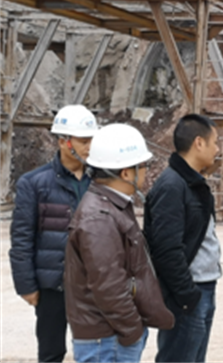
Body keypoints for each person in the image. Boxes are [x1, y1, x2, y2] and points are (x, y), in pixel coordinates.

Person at [64, 124, 174, 363]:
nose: (146, 172)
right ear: (126, 173)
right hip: (108, 339)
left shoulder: (112, 206)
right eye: (143, 166)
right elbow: (108, 286)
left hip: (111, 336)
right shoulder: (99, 218)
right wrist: (132, 331)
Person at [9, 104, 98, 363]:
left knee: (95, 351)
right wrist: (26, 286)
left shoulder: (101, 181)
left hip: (93, 284)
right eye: (83, 141)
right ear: (63, 141)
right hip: (53, 285)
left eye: (92, 140)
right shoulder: (34, 183)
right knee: (51, 353)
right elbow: (22, 238)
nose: (89, 147)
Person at [144, 114, 221, 363]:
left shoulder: (192, 183)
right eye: (215, 142)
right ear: (199, 143)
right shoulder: (172, 186)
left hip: (202, 287)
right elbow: (166, 249)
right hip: (188, 294)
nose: (217, 149)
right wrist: (187, 295)